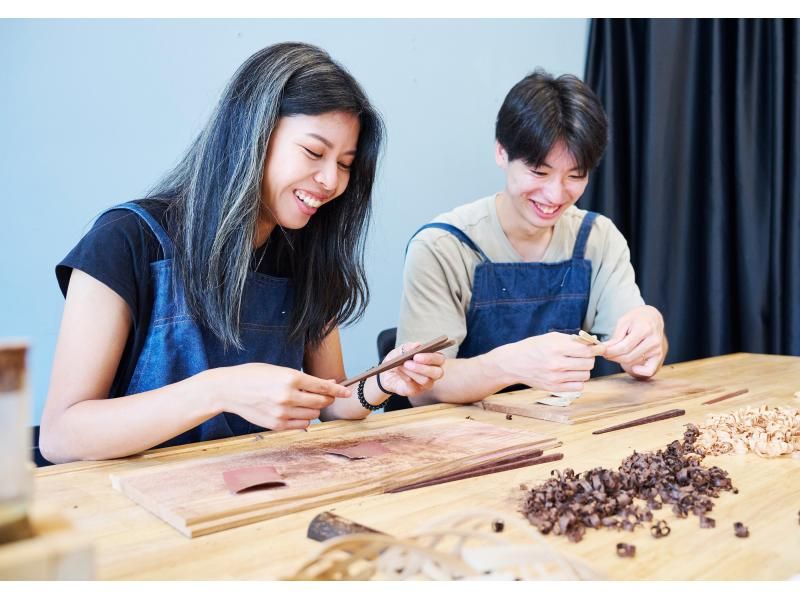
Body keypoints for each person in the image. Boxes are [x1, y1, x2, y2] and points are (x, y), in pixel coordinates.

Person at [40, 42, 444, 463]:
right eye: (313, 152)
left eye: (344, 163)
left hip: (254, 493)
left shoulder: (308, 254)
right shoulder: (124, 240)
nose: (330, 181)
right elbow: (61, 435)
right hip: (135, 507)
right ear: (252, 133)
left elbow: (331, 400)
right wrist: (218, 390)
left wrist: (383, 382)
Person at [396, 69, 667, 406]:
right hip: (460, 440)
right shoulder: (442, 246)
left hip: (568, 436)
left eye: (575, 175)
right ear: (501, 152)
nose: (555, 194)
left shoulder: (597, 238)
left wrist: (649, 335)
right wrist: (511, 365)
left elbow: (638, 358)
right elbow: (425, 390)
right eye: (539, 172)